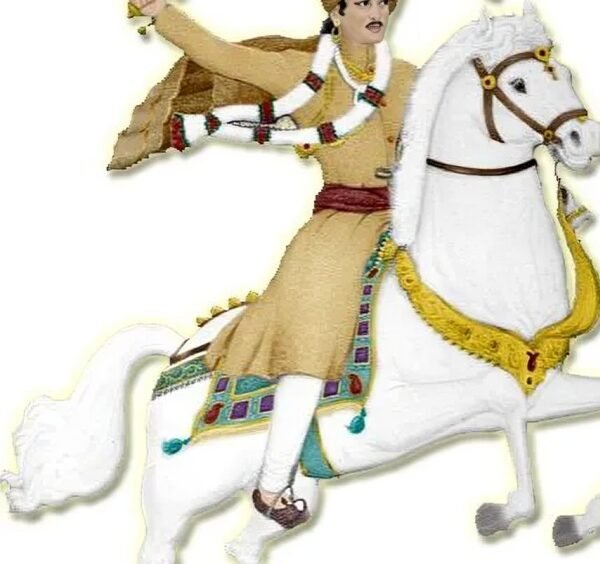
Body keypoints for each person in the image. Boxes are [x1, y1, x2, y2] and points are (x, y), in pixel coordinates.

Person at [125, 0, 415, 529]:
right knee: (310, 337)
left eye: (383, 1)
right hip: (341, 225)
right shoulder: (298, 71)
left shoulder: (410, 76)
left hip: (413, 218)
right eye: (362, 1)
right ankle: (273, 482)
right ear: (338, 13)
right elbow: (217, 53)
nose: (376, 9)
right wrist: (160, 11)